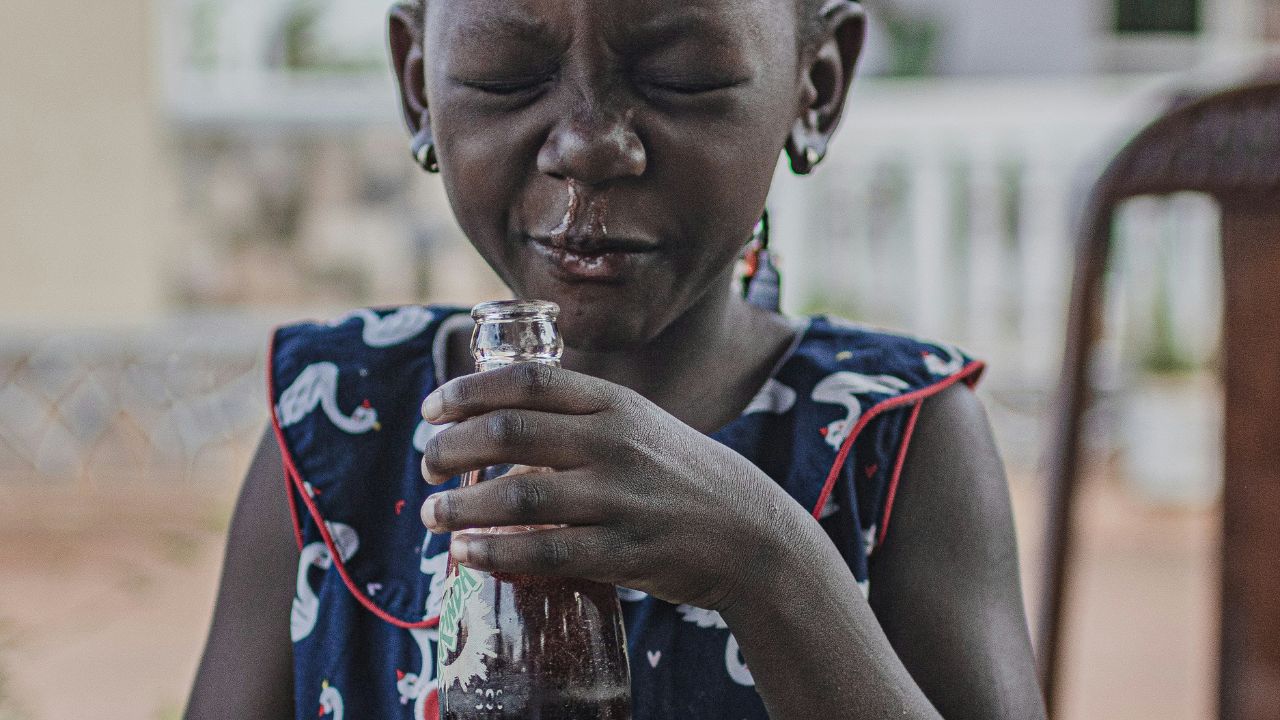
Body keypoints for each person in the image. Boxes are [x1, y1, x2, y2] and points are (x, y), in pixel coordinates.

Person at [186, 0, 1046, 718]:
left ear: (816, 85)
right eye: (503, 76)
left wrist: (771, 571)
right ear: (418, 84)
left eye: (683, 78)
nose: (589, 145)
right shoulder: (336, 426)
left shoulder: (897, 438)